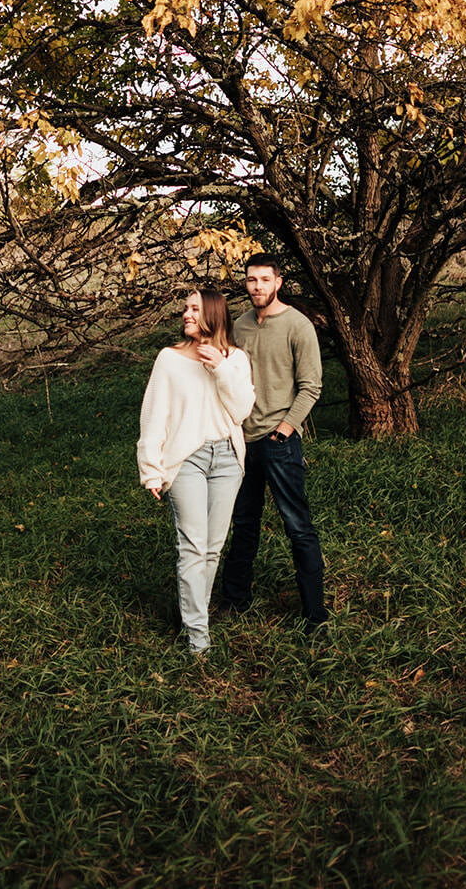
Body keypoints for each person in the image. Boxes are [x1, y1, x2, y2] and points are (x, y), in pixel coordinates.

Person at [137, 286, 255, 656]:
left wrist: (219, 368)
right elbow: (154, 416)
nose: (186, 314)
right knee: (192, 546)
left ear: (214, 314)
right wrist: (151, 469)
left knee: (212, 549)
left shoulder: (235, 360)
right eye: (185, 309)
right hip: (187, 458)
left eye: (194, 309)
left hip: (227, 460)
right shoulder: (169, 359)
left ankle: (194, 617)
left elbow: (241, 411)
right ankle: (198, 639)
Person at [218, 254, 328, 632]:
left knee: (297, 525)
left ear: (279, 282)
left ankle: (315, 615)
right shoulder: (240, 326)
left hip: (279, 442)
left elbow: (311, 385)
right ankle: (235, 600)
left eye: (265, 280)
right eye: (251, 280)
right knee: (243, 523)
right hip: (242, 442)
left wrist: (286, 427)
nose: (258, 287)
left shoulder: (298, 326)